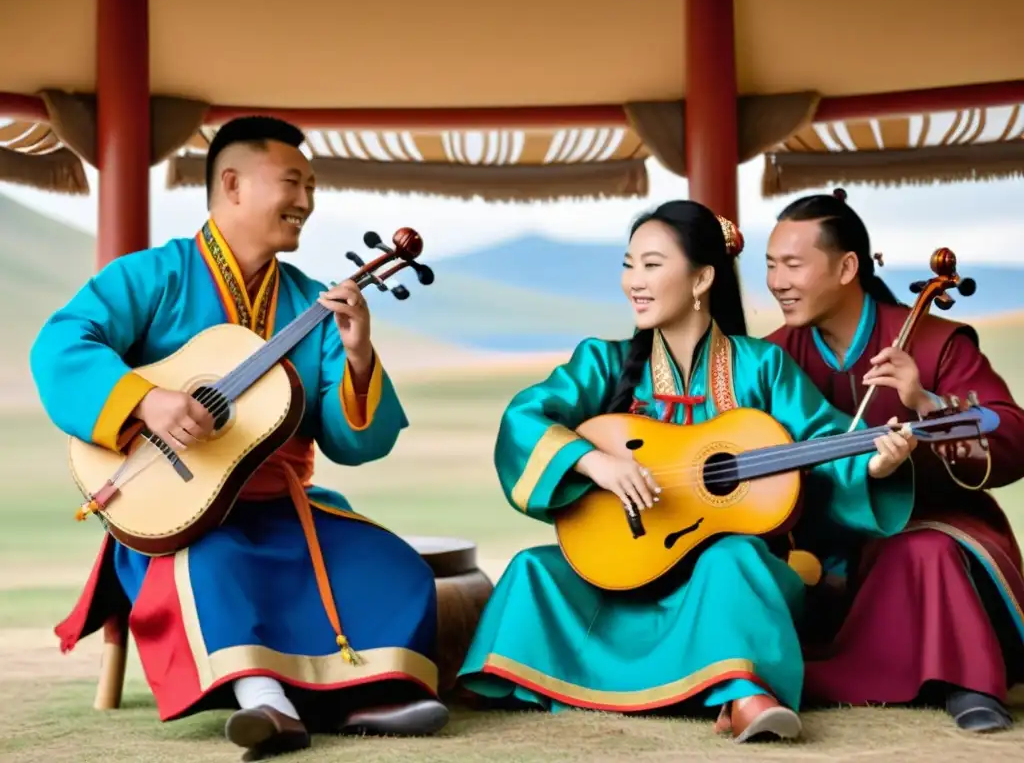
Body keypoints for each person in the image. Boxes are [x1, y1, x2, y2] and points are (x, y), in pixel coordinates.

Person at [32, 116, 448, 760]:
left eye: (311, 184)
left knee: (395, 567)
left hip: (284, 505)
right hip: (177, 512)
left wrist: (359, 354)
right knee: (213, 563)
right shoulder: (151, 277)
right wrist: (148, 400)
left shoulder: (315, 304)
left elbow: (357, 443)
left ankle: (368, 697)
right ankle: (266, 703)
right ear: (231, 184)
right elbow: (60, 344)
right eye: (292, 181)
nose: (307, 200)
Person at [455, 199, 918, 743]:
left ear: (702, 278)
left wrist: (875, 462)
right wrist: (593, 460)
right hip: (626, 571)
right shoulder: (603, 363)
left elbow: (826, 442)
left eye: (652, 265)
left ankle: (743, 694)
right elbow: (524, 419)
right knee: (535, 568)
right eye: (628, 265)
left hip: (727, 579)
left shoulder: (761, 367)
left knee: (731, 559)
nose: (634, 281)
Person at [764, 188, 1024, 732]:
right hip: (814, 539)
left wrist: (926, 402)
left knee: (921, 551)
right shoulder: (773, 354)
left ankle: (966, 679)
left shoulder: (933, 341)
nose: (777, 281)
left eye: (792, 264)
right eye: (770, 265)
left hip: (926, 524)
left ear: (846, 267)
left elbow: (1013, 433)